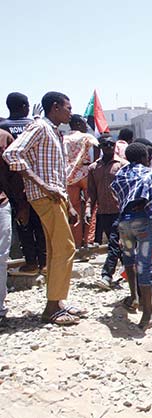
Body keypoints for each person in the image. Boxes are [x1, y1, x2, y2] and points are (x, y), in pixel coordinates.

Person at [2, 91, 84, 326]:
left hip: (54, 197)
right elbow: (12, 153)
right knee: (65, 248)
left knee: (56, 249)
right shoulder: (40, 127)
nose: (70, 111)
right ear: (55, 107)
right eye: (68, 107)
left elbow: (57, 173)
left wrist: (67, 204)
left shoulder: (54, 131)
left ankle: (57, 302)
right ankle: (52, 307)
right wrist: (40, 183)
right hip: (44, 196)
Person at [110, 142, 152, 329]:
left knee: (129, 260)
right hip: (143, 222)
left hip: (124, 222)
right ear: (142, 158)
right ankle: (147, 313)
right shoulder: (148, 173)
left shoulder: (120, 173)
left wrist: (127, 202)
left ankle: (134, 297)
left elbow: (114, 190)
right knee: (144, 266)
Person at [0, 92, 46, 275]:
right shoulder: (32, 125)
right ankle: (44, 263)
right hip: (35, 181)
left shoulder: (3, 128)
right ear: (25, 107)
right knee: (40, 224)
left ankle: (30, 262)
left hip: (12, 184)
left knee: (22, 224)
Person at [88, 135, 127, 289]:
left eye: (112, 144)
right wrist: (88, 210)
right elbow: (91, 192)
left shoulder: (123, 165)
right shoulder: (93, 168)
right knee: (118, 245)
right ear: (100, 147)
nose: (109, 147)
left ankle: (106, 275)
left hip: (120, 211)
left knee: (113, 242)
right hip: (103, 211)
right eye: (105, 144)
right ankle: (130, 271)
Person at [0, 127, 26, 325]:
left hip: (1, 203)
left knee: (1, 257)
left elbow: (14, 174)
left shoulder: (3, 137)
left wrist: (21, 204)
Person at [64, 114, 99, 249]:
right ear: (78, 124)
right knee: (92, 206)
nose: (86, 126)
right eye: (84, 123)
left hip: (70, 176)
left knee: (74, 209)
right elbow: (97, 148)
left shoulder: (64, 138)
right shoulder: (87, 137)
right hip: (86, 173)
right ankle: (88, 240)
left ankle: (76, 242)